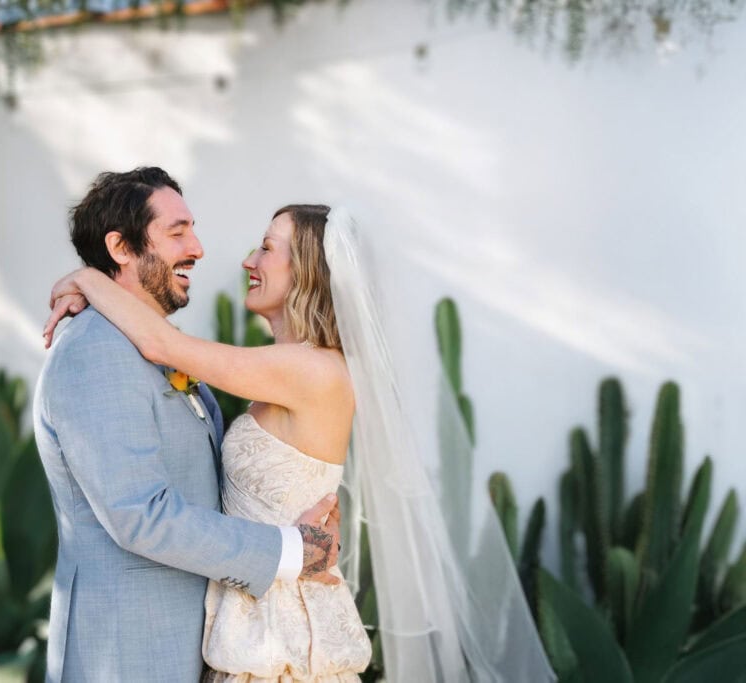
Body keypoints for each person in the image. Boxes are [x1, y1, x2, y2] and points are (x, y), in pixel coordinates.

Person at [45, 202, 559, 682]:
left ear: (307, 270)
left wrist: (87, 278)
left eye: (268, 248)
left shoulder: (314, 370)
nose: (249, 259)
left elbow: (163, 344)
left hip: (282, 632)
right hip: (253, 615)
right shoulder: (287, 369)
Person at [32, 168, 343, 683]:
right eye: (178, 232)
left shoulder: (152, 347)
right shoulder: (96, 353)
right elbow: (139, 515)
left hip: (216, 645)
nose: (198, 248)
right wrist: (292, 548)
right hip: (130, 654)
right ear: (121, 248)